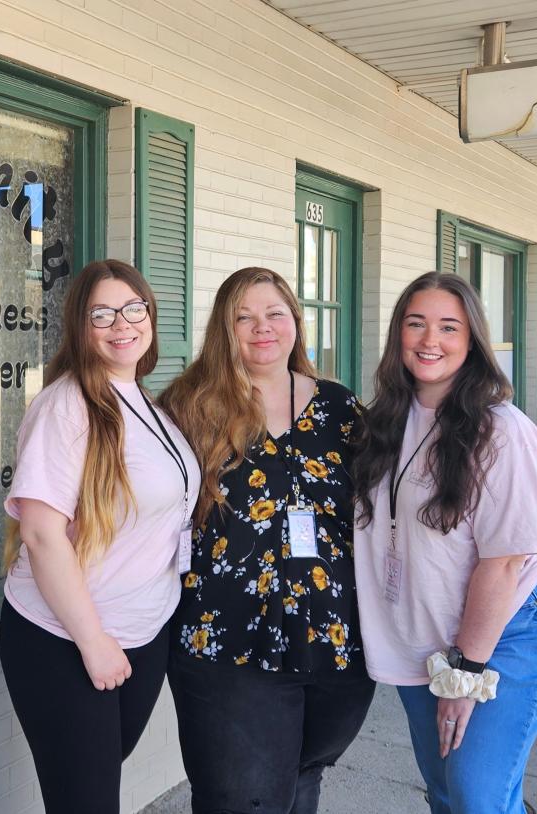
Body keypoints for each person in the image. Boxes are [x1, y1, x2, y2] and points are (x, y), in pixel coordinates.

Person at [352, 272, 537, 814]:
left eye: (448, 327)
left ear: (472, 340)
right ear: (397, 335)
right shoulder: (385, 420)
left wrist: (465, 673)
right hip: (427, 631)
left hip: (511, 627)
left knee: (478, 798)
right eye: (416, 324)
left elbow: (504, 562)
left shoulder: (501, 430)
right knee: (446, 791)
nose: (430, 340)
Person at [158, 266, 374, 814]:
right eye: (244, 317)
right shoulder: (189, 407)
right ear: (223, 329)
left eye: (275, 313)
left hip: (334, 641)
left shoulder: (340, 409)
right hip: (228, 646)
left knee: (303, 781)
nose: (263, 328)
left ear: (295, 323)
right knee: (241, 799)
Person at [0, 259, 200, 813]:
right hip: (65, 639)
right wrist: (93, 642)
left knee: (90, 787)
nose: (122, 324)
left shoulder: (146, 402)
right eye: (103, 314)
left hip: (141, 631)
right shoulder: (65, 406)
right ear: (80, 327)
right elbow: (40, 535)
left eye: (133, 308)